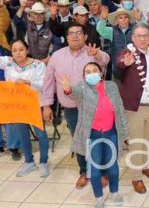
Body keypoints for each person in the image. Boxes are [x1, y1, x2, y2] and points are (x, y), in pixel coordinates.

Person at [42, 23, 110, 188]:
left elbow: (106, 61)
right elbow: (49, 81)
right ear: (66, 37)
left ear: (85, 36)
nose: (75, 36)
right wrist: (46, 105)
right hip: (71, 107)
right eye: (71, 33)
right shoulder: (57, 56)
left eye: (79, 33)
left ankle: (102, 172)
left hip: (93, 106)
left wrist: (98, 54)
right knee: (79, 140)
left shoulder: (92, 53)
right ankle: (84, 171)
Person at [60, 62, 128, 208]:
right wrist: (67, 89)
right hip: (92, 135)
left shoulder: (111, 87)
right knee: (94, 170)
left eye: (94, 70)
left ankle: (114, 193)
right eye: (88, 72)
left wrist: (125, 131)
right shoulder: (82, 88)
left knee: (113, 167)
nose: (91, 74)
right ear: (84, 76)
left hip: (111, 133)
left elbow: (120, 108)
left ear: (101, 73)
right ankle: (99, 197)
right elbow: (74, 93)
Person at [116, 24, 149, 194]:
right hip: (135, 108)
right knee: (136, 143)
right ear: (133, 38)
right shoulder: (127, 53)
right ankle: (136, 177)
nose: (142, 38)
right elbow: (118, 65)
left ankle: (145, 166)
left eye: (145, 35)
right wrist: (124, 63)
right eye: (138, 36)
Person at [0, 39, 48, 177]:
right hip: (17, 106)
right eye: (14, 50)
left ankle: (44, 162)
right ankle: (29, 162)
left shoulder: (38, 65)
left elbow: (43, 84)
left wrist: (27, 82)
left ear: (27, 50)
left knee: (41, 134)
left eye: (21, 49)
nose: (18, 53)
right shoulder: (7, 62)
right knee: (22, 134)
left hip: (35, 105)